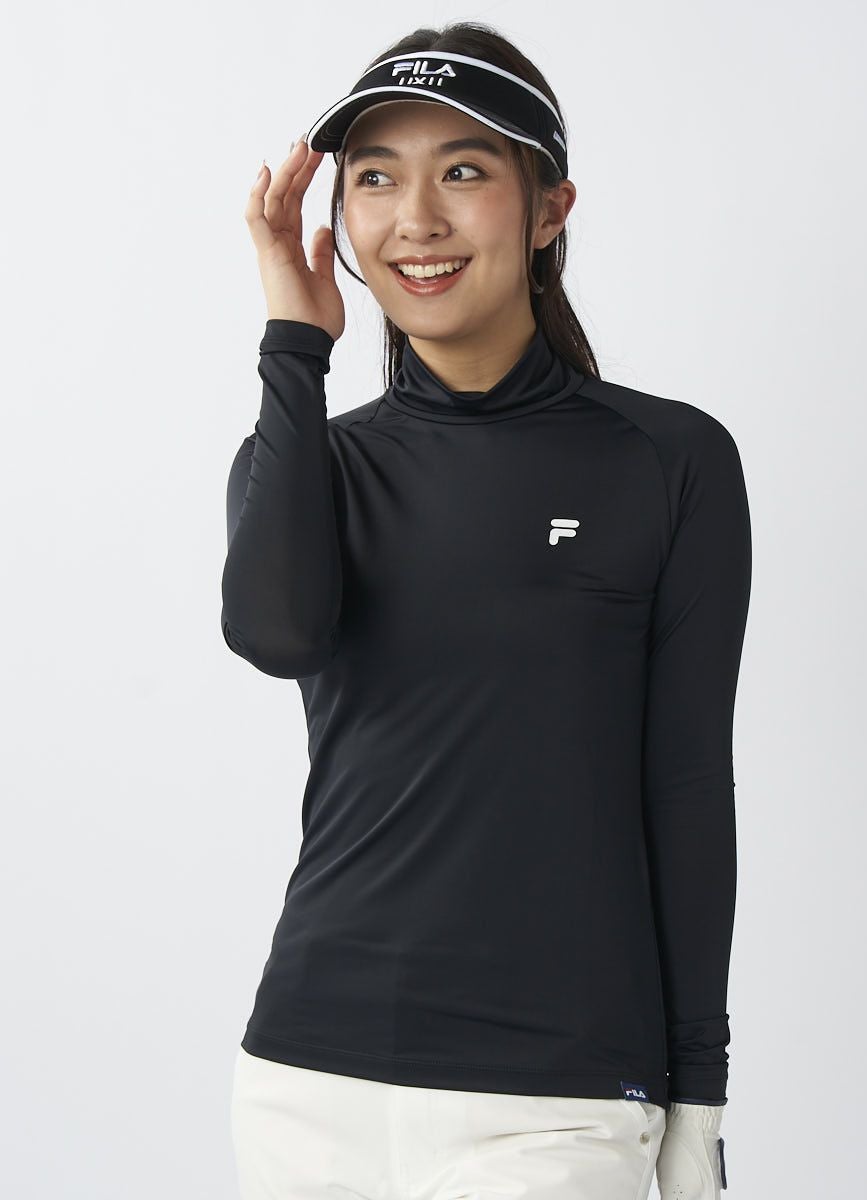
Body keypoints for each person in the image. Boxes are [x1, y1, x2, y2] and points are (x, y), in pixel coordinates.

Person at [222, 21, 749, 1200]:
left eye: (463, 170)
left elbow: (684, 784)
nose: (416, 218)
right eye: (375, 179)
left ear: (550, 208)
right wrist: (294, 349)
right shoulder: (301, 462)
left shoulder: (668, 462)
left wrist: (697, 1096)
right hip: (308, 1082)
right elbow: (276, 635)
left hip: (557, 1097)